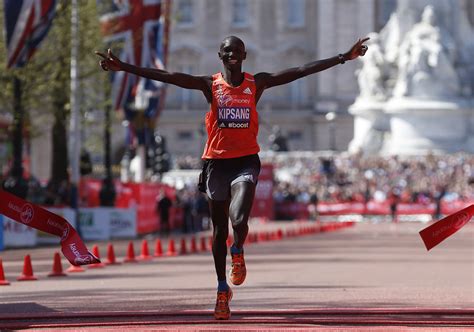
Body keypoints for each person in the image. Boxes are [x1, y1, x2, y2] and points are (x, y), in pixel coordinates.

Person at [96, 35, 369, 320]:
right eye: (227, 51)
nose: (232, 55)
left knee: (238, 220)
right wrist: (125, 67)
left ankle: (237, 251)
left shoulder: (257, 83)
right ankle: (222, 289)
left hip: (245, 161)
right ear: (220, 55)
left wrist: (342, 57)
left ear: (244, 55)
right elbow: (168, 76)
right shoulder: (209, 85)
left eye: (237, 50)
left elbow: (300, 71)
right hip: (216, 164)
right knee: (218, 232)